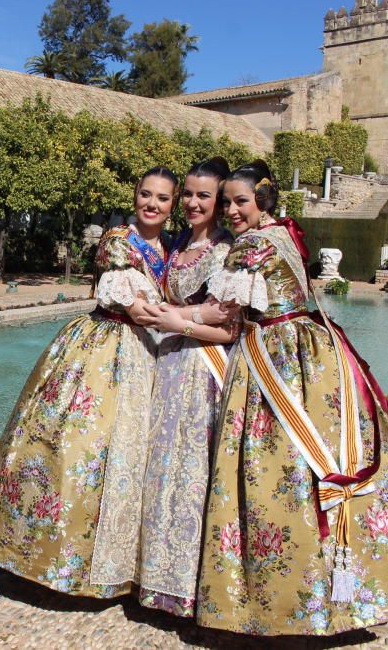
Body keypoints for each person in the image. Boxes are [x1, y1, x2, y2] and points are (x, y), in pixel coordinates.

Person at [196, 160, 388, 635]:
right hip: (315, 353)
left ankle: (282, 601)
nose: (232, 210)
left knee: (275, 465)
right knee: (322, 455)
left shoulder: (252, 246)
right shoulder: (284, 234)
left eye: (241, 201)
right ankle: (358, 585)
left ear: (264, 200)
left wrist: (160, 316)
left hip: (274, 354)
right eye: (228, 201)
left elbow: (219, 314)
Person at [0, 167, 178, 598]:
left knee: (138, 458)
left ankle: (126, 562)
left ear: (173, 205)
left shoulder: (171, 247)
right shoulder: (118, 242)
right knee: (81, 443)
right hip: (107, 348)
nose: (151, 204)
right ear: (134, 195)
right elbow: (136, 309)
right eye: (145, 194)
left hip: (155, 352)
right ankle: (55, 559)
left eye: (162, 198)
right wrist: (202, 324)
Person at [135, 158, 237, 617]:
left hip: (203, 371)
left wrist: (182, 320)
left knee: (192, 476)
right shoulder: (178, 243)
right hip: (167, 364)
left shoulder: (226, 250)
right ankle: (153, 580)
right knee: (160, 470)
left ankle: (190, 589)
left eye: (204, 195)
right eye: (190, 194)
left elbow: (232, 328)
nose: (194, 203)